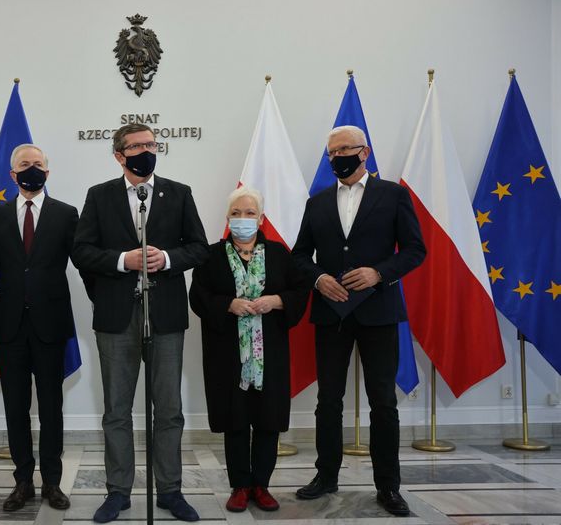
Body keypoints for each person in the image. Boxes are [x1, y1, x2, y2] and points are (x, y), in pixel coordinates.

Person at [73, 123, 209, 523]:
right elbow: (81, 251)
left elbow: (199, 248)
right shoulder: (99, 196)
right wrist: (122, 260)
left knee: (168, 409)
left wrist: (166, 259)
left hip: (165, 316)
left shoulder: (179, 193)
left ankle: (170, 490)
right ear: (119, 155)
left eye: (151, 144)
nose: (147, 151)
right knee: (116, 409)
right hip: (116, 318)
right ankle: (118, 492)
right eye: (137, 146)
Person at [291, 126, 425, 517]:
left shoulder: (394, 195)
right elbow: (299, 255)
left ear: (364, 152)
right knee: (327, 400)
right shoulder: (316, 202)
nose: (336, 158)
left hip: (379, 311)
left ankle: (388, 486)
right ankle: (325, 476)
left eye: (343, 151)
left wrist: (379, 273)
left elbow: (415, 250)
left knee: (383, 402)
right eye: (330, 153)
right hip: (331, 312)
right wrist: (318, 278)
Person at [189, 187, 307, 512]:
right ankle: (240, 485)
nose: (243, 219)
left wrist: (278, 300)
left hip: (271, 354)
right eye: (237, 214)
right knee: (236, 420)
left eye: (250, 213)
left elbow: (300, 290)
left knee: (268, 420)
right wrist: (228, 304)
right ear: (228, 219)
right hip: (228, 355)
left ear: (261, 218)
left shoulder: (281, 255)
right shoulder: (211, 256)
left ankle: (262, 485)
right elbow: (198, 296)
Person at [0, 144, 77, 512]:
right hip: (9, 326)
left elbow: (83, 260)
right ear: (12, 174)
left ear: (47, 173)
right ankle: (22, 481)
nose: (31, 170)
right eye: (24, 165)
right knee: (15, 407)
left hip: (50, 324)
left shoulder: (67, 214)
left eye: (38, 165)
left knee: (52, 406)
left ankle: (52, 482)